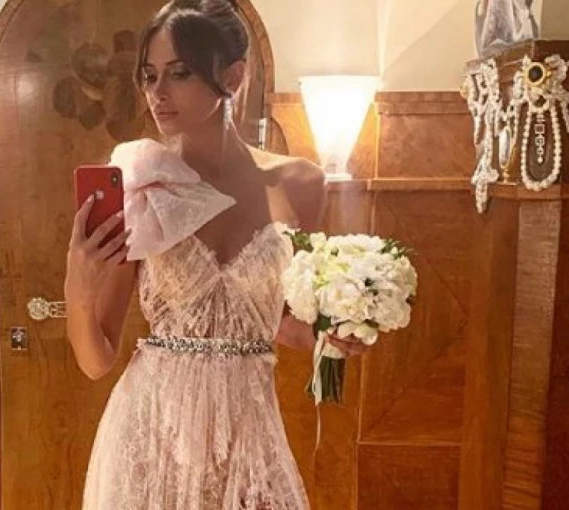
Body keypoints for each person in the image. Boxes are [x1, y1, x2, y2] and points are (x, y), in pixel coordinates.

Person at [64, 1, 367, 507]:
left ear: (233, 75)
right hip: (151, 440)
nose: (158, 92)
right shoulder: (144, 183)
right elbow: (97, 361)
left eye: (179, 73)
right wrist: (77, 288)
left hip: (248, 439)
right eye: (150, 75)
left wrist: (330, 334)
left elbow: (278, 320)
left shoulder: (301, 184)